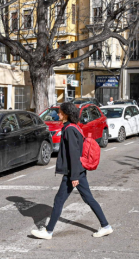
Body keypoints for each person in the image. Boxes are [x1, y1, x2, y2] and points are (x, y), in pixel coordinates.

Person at [31, 102, 112, 240]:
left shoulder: (69, 129)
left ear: (66, 114)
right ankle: (105, 226)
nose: (58, 114)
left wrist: (74, 176)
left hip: (73, 173)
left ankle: (49, 231)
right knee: (88, 199)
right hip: (77, 171)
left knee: (59, 201)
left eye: (60, 112)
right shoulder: (74, 127)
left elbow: (74, 155)